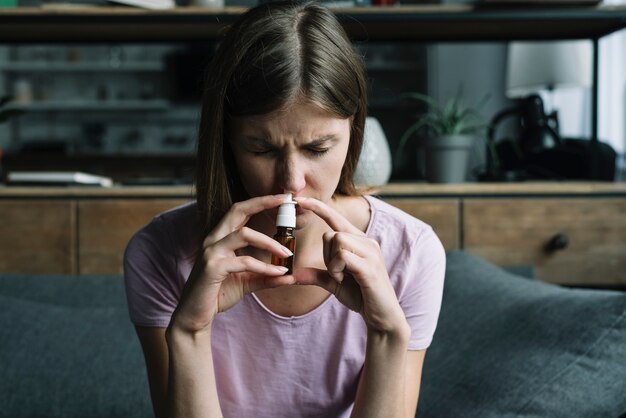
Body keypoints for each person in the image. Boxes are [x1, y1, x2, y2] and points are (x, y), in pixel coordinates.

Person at [123, 1, 446, 417]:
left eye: (318, 148)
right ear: (226, 141)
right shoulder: (158, 251)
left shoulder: (410, 251)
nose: (292, 180)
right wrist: (188, 332)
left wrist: (387, 333)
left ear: (355, 129)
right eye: (262, 148)